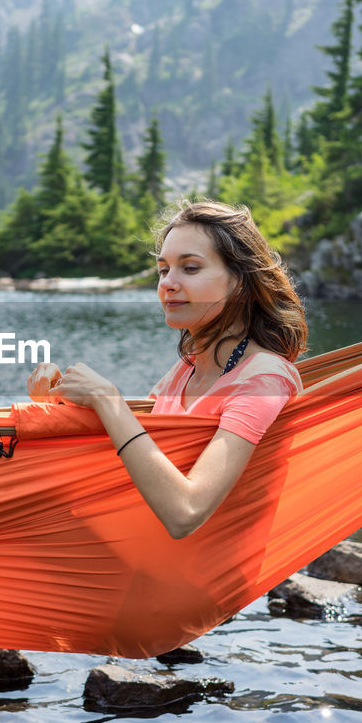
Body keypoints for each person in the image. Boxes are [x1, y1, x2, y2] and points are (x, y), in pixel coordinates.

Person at [27, 200, 307, 539]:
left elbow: (185, 512)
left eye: (190, 268)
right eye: (163, 270)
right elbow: (136, 458)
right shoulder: (186, 370)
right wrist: (55, 404)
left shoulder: (264, 380)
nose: (168, 283)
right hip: (144, 561)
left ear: (239, 281)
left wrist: (107, 398)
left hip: (200, 577)